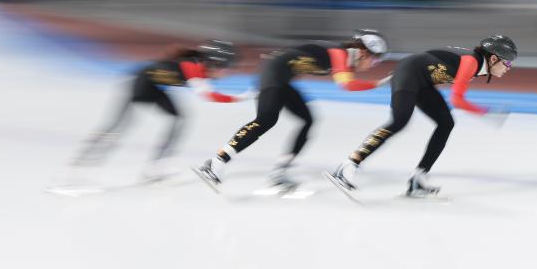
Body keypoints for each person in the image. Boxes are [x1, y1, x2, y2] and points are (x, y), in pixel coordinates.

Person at [193, 29, 391, 192]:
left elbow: (295, 56)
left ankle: (279, 171)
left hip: (278, 77)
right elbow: (347, 85)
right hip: (273, 75)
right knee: (266, 120)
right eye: (375, 61)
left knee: (306, 120)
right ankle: (216, 163)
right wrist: (380, 82)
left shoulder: (343, 58)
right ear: (364, 52)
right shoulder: (339, 54)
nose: (373, 65)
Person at [328, 34, 517, 198]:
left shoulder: (479, 67)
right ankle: (348, 166)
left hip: (423, 81)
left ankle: (418, 179)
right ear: (493, 59)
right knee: (399, 121)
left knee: (446, 123)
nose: (508, 68)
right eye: (507, 62)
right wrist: (485, 113)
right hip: (408, 73)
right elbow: (457, 99)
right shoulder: (472, 62)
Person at [65, 40, 249, 185]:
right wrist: (241, 98)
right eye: (227, 67)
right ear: (215, 62)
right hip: (140, 82)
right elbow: (208, 95)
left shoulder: (203, 68)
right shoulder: (192, 66)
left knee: (179, 119)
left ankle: (155, 168)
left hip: (155, 87)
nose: (228, 72)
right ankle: (77, 166)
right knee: (117, 126)